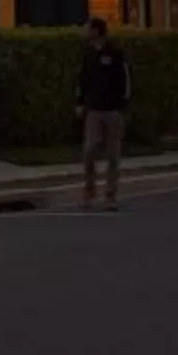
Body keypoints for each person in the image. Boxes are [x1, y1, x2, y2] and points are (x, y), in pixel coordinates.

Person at [76, 17, 131, 210]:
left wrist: (122, 105)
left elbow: (124, 79)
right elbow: (83, 80)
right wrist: (81, 102)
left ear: (97, 31)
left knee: (113, 154)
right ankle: (89, 191)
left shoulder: (115, 53)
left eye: (88, 28)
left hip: (113, 109)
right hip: (94, 110)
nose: (85, 31)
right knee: (90, 149)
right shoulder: (88, 54)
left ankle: (110, 195)